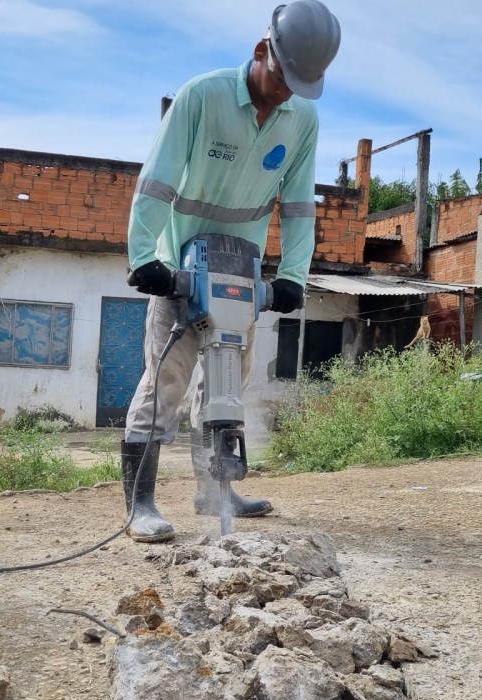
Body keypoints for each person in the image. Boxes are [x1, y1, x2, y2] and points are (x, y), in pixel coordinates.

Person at [119, 1, 341, 543]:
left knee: (224, 389)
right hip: (180, 271)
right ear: (262, 50)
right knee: (164, 386)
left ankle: (214, 493)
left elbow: (297, 206)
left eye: (299, 84)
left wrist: (292, 274)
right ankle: (140, 505)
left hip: (241, 275)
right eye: (283, 77)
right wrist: (144, 258)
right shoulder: (203, 96)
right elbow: (158, 179)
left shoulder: (303, 119)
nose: (286, 91)